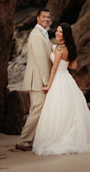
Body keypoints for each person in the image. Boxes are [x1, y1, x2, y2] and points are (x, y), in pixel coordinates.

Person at [32, 23, 90, 156]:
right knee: (69, 108)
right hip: (67, 79)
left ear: (65, 35)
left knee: (58, 108)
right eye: (57, 31)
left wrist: (48, 85)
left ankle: (60, 135)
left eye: (60, 32)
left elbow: (54, 68)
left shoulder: (59, 49)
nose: (57, 34)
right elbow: (73, 66)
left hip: (59, 79)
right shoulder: (70, 48)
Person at [15, 8, 53, 151]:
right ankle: (23, 141)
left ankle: (31, 139)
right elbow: (41, 59)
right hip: (37, 79)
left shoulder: (42, 34)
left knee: (35, 109)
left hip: (37, 79)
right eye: (44, 17)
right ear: (37, 18)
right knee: (37, 109)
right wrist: (46, 80)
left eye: (48, 17)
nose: (46, 19)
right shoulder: (36, 35)